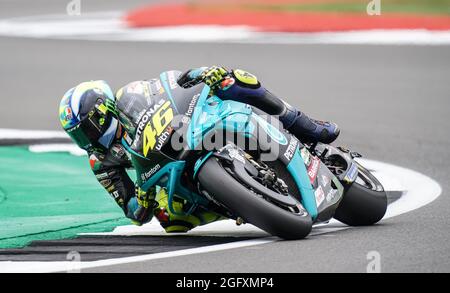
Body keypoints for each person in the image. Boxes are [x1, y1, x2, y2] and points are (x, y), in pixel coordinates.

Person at [58, 66, 340, 232]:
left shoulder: (128, 97)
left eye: (87, 127)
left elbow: (170, 84)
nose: (87, 138)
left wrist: (200, 73)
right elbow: (131, 210)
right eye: (78, 135)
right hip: (166, 167)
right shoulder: (100, 161)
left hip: (186, 127)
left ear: (103, 110)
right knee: (171, 222)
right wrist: (142, 203)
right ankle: (238, 204)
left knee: (231, 79)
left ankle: (305, 125)